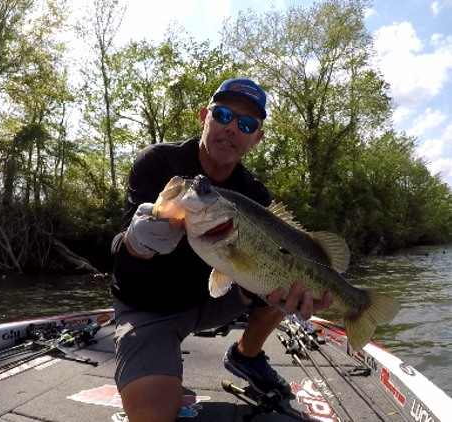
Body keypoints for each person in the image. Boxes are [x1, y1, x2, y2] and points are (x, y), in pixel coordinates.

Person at [110, 77, 333, 422]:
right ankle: (158, 366)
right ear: (204, 116)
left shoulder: (255, 196)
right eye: (223, 115)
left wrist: (281, 297)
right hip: (150, 307)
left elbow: (262, 275)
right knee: (152, 415)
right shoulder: (157, 163)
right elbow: (121, 268)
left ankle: (247, 355)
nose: (231, 128)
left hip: (216, 298)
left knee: (283, 275)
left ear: (257, 138)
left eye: (246, 124)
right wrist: (135, 243)